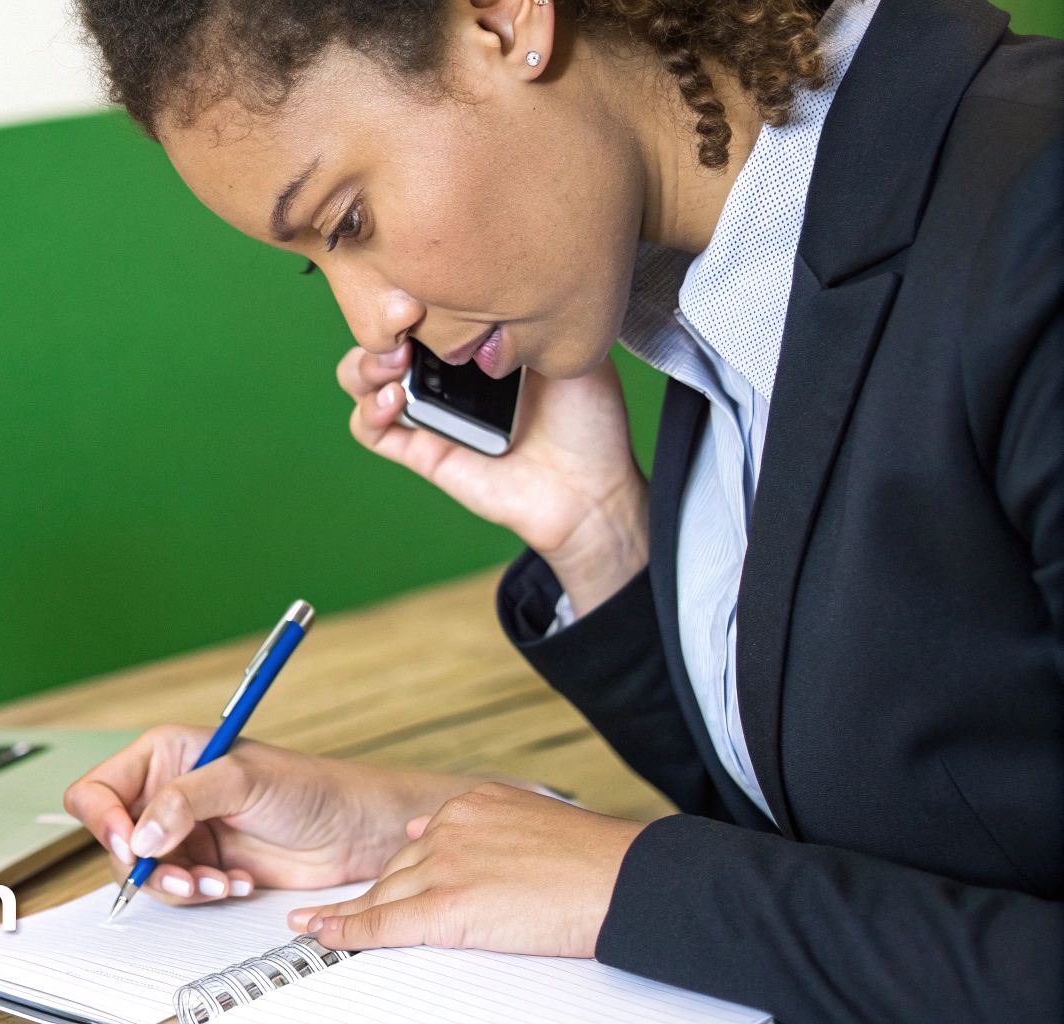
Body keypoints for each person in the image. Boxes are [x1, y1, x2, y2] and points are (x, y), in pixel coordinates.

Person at [60, 0, 1063, 1019]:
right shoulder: (718, 294)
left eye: (349, 219)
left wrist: (628, 883)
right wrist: (597, 543)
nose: (372, 318)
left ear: (501, 21)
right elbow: (860, 827)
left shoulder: (1035, 219)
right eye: (319, 264)